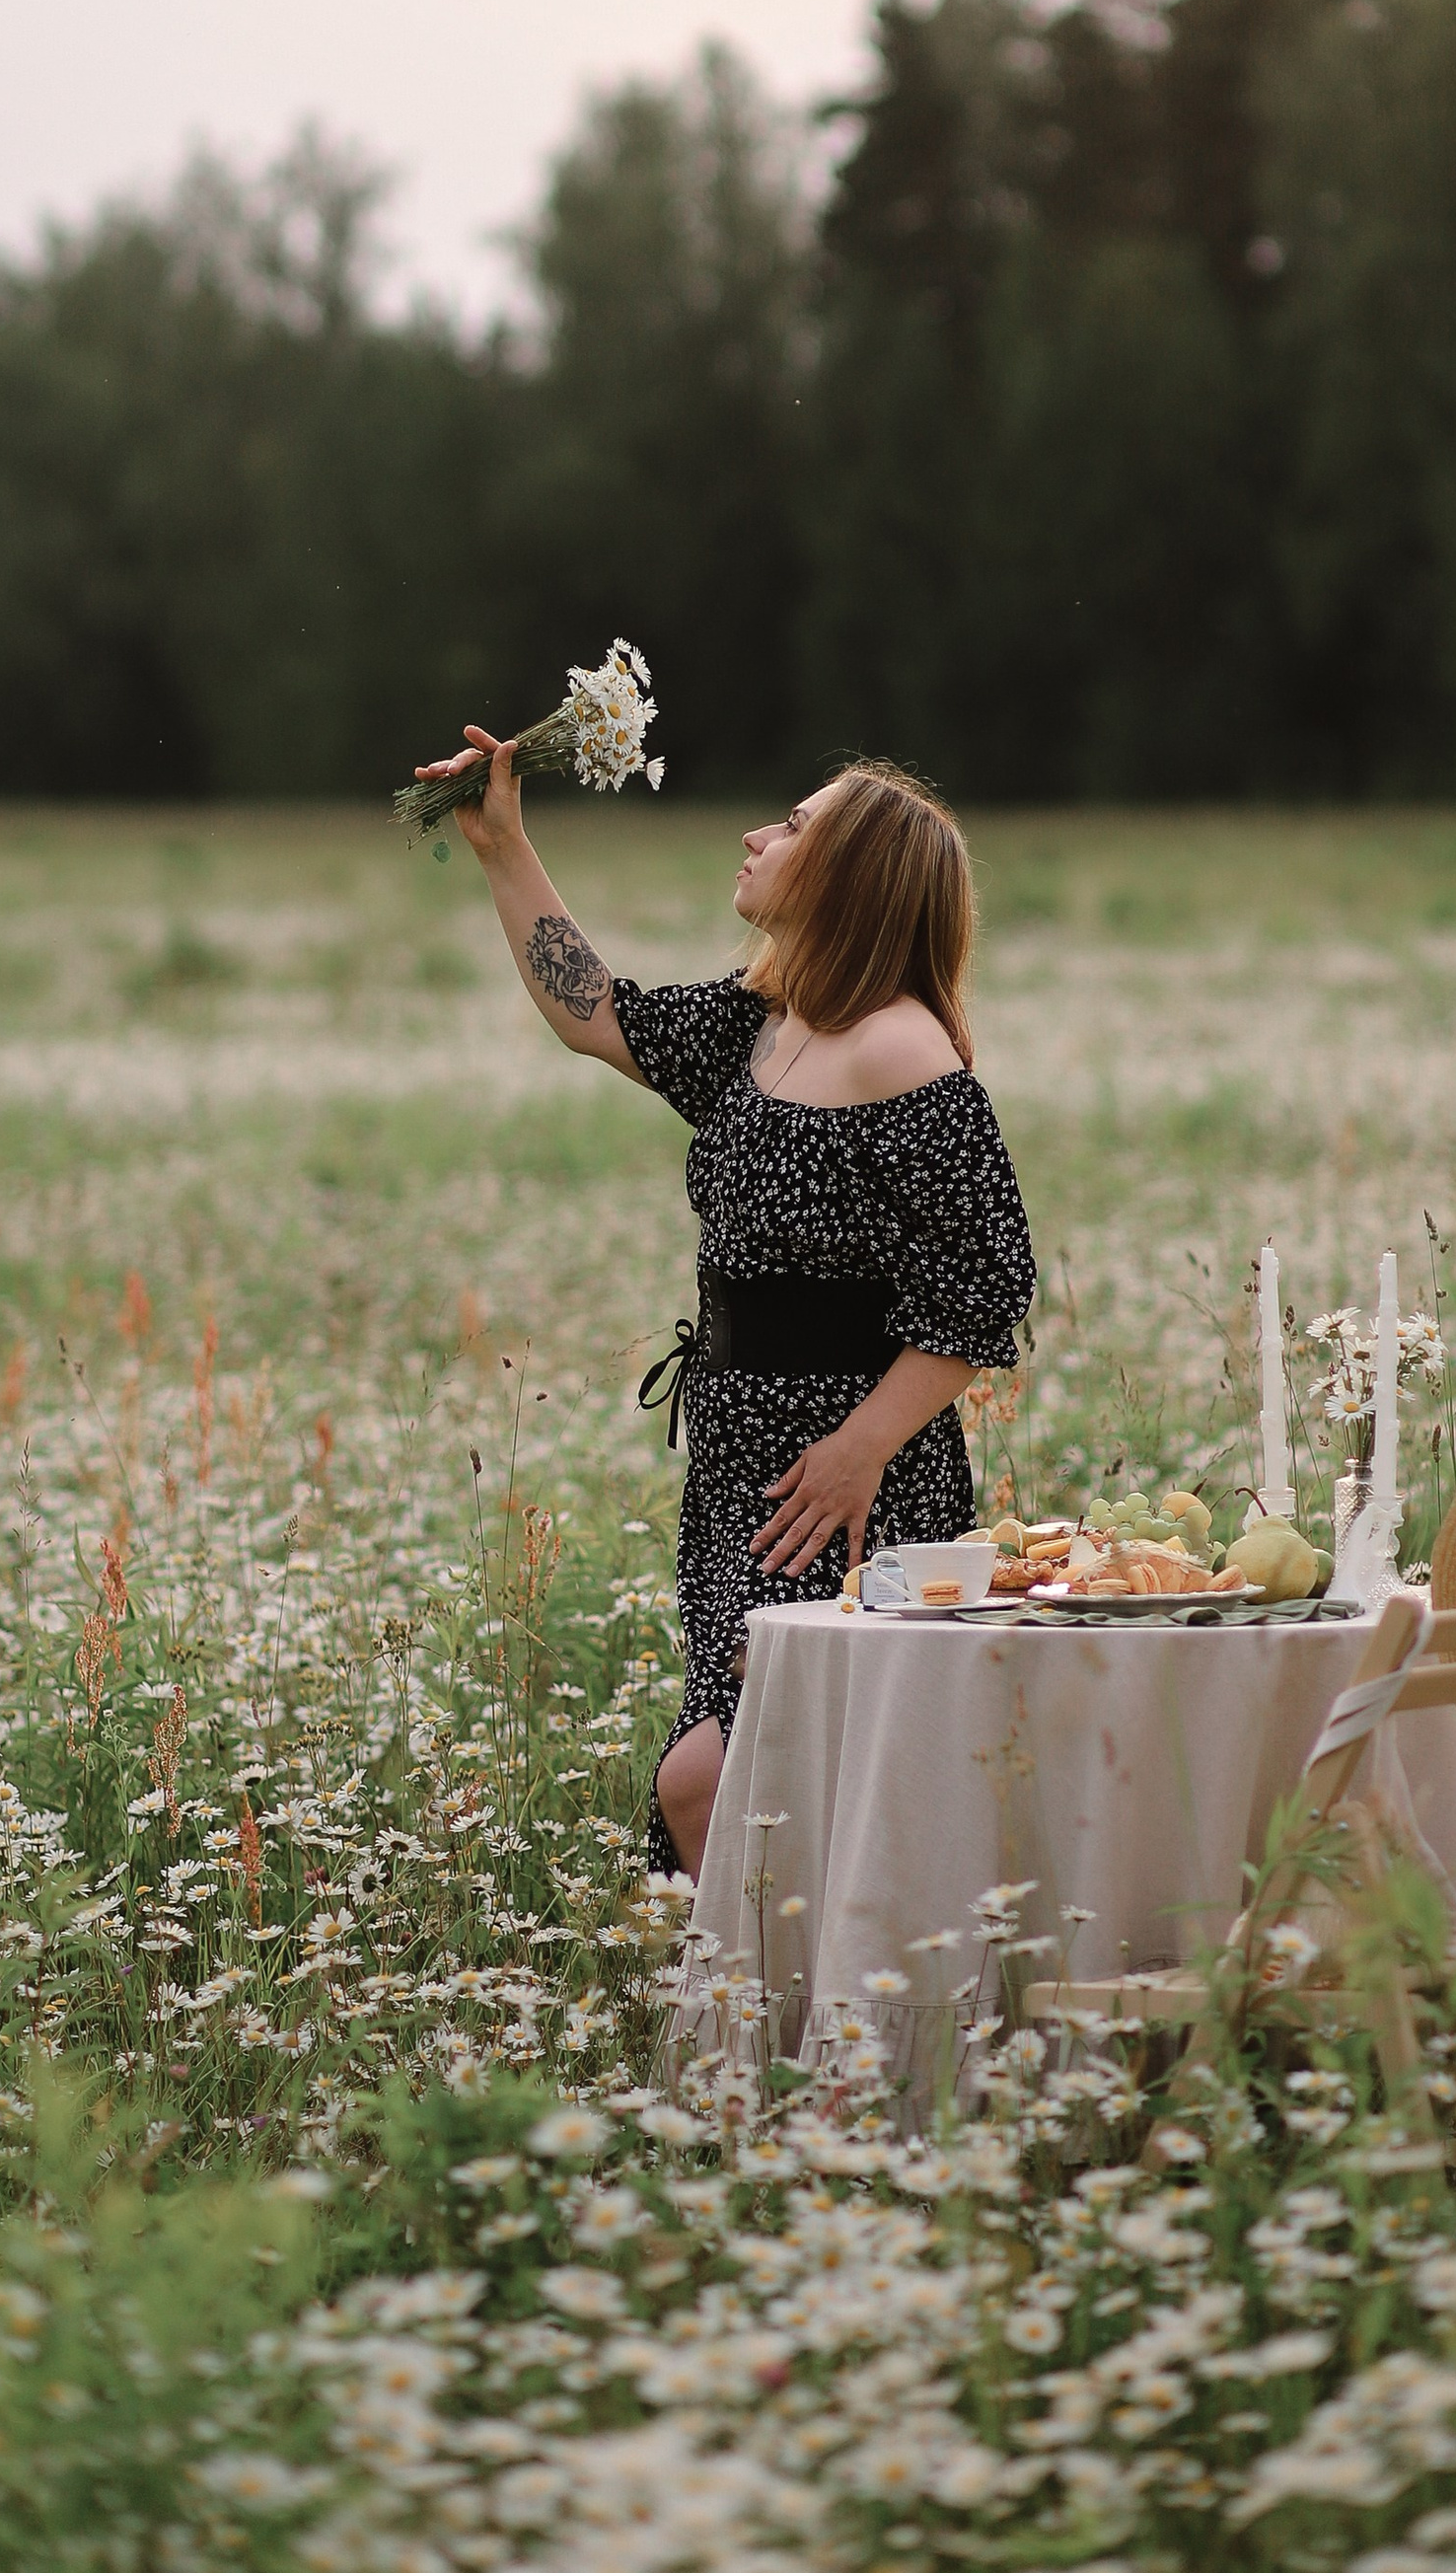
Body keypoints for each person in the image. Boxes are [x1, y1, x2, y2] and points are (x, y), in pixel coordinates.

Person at [414, 735, 1037, 1884]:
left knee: (720, 1777)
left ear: (852, 875)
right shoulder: (768, 1019)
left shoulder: (901, 1049)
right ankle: (778, 2037)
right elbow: (594, 1013)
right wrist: (504, 845)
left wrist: (859, 1450)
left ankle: (791, 2030)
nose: (758, 836)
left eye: (793, 825)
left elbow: (988, 1281)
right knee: (778, 1788)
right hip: (739, 1462)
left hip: (847, 1486)